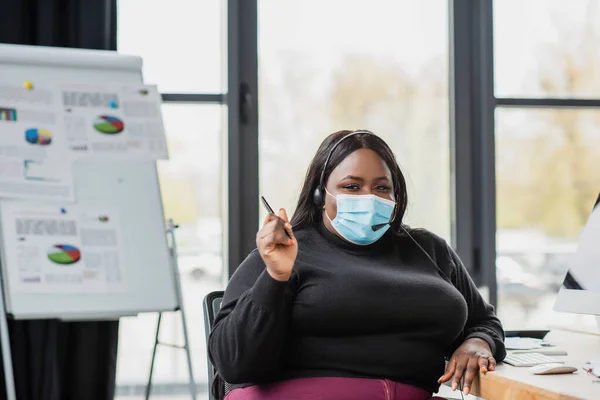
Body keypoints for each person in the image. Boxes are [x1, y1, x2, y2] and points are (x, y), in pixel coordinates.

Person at [208, 130, 506, 400]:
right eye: (351, 186)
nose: (368, 198)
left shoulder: (429, 249)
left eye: (381, 188)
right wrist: (275, 276)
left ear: (395, 195)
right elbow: (234, 362)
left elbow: (484, 320)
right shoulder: (285, 251)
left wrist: (478, 343)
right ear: (320, 194)